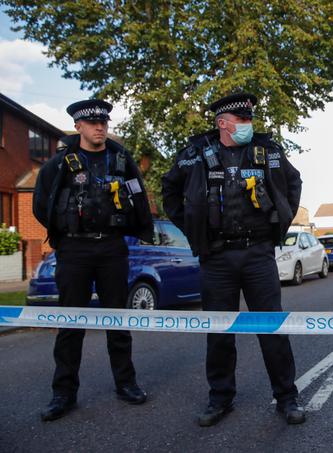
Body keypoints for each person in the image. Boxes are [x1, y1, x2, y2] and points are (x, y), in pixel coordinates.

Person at [161, 92, 305, 427]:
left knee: (272, 328)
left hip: (258, 253)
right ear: (223, 123)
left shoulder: (267, 150)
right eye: (242, 119)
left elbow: (293, 183)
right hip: (217, 257)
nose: (248, 125)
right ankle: (220, 399)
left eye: (250, 118)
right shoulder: (195, 154)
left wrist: (279, 224)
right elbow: (169, 191)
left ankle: (287, 397)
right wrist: (193, 229)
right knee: (219, 332)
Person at [33, 99, 154, 421]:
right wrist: (64, 229)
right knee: (70, 324)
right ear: (78, 127)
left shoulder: (121, 160)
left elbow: (138, 194)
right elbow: (40, 204)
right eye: (92, 122)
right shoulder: (59, 164)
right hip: (74, 251)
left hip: (112, 249)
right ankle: (63, 393)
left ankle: (126, 383)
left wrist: (140, 227)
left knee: (118, 321)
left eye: (104, 121)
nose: (99, 126)